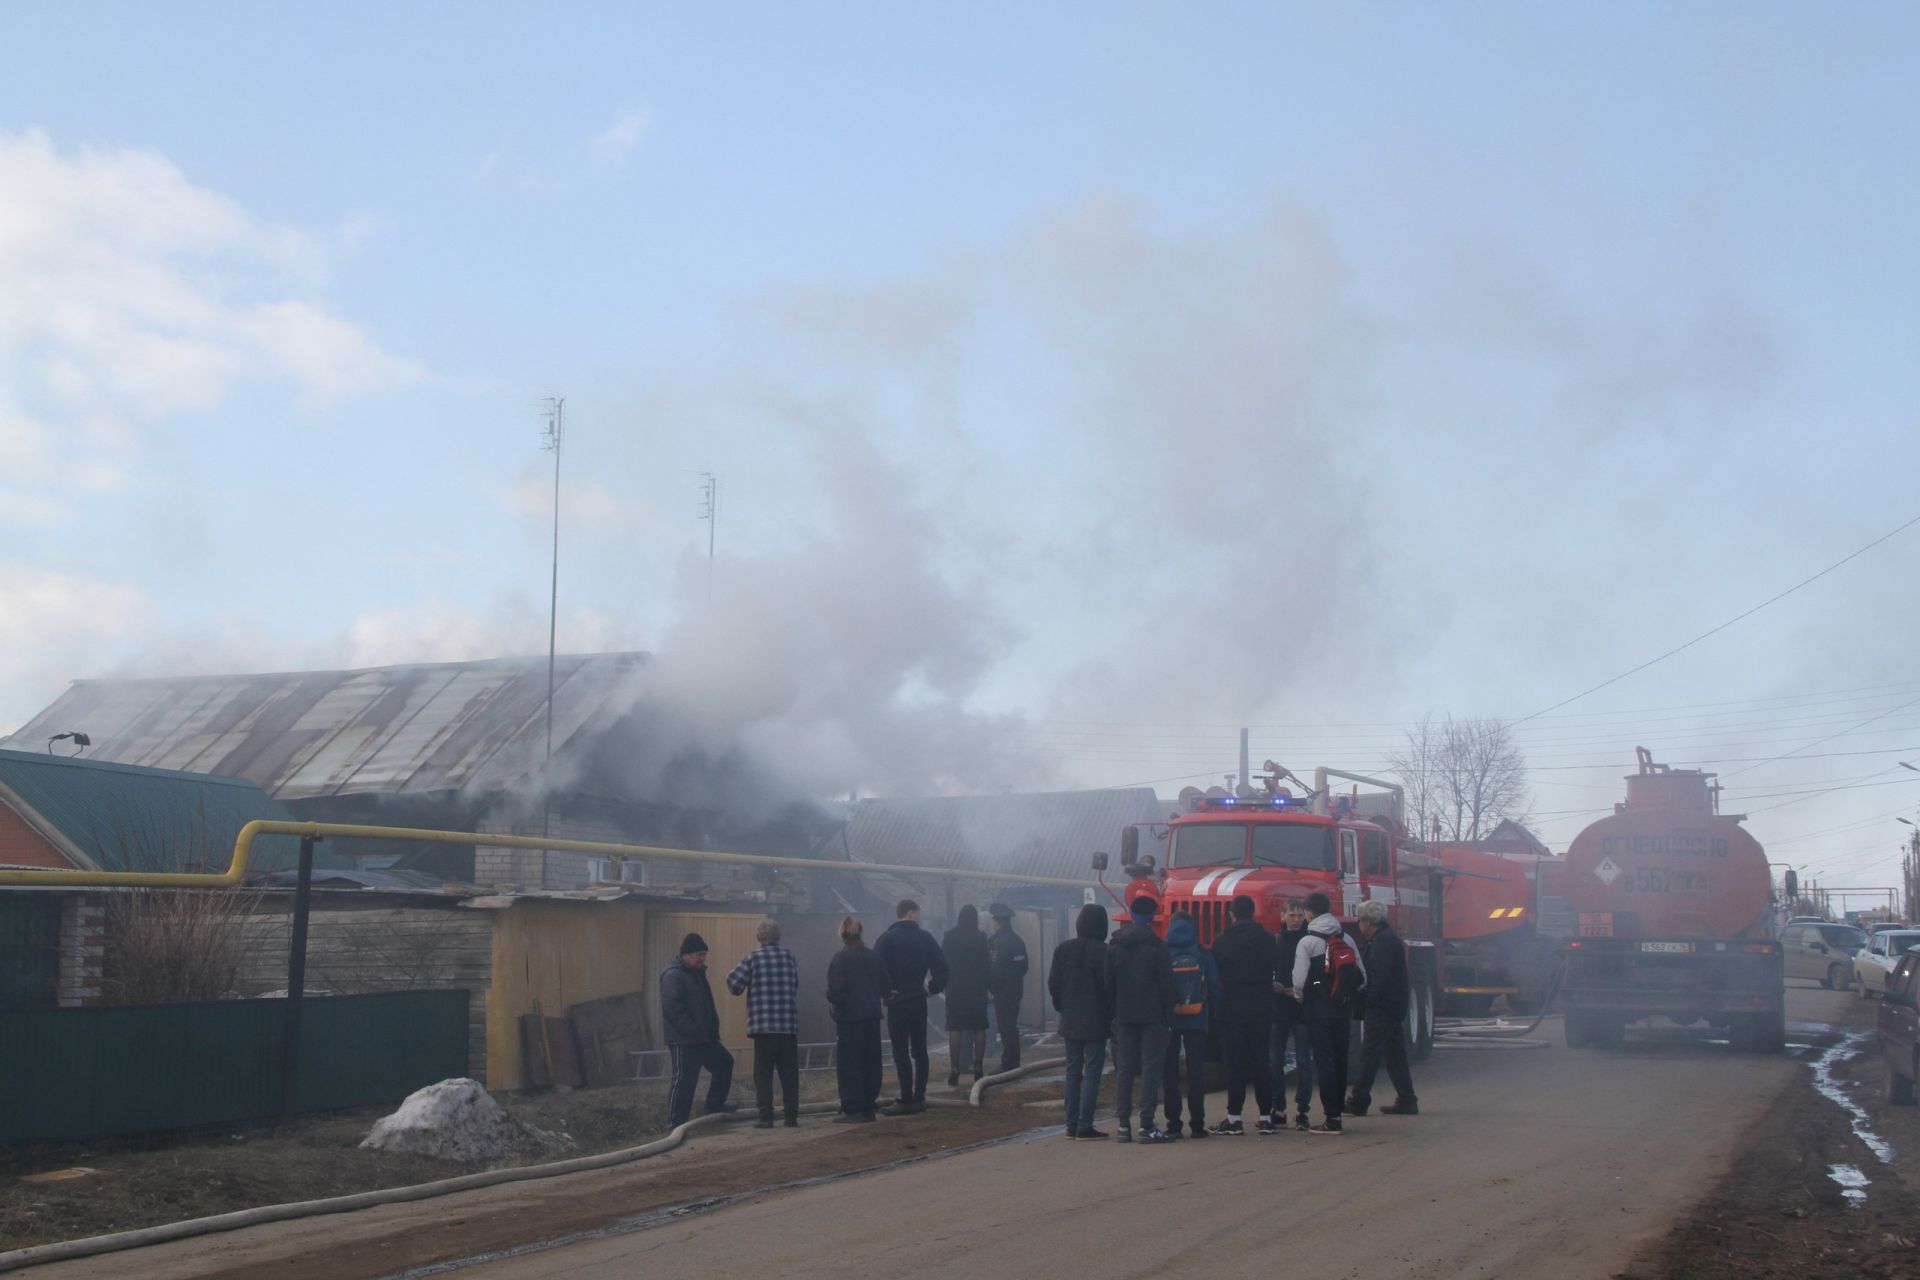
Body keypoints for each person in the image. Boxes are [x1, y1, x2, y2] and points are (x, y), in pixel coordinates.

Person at [1288, 892, 1367, 1134]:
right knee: (1340, 1059)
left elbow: (1299, 981)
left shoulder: (1307, 941)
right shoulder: (1346, 939)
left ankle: (1331, 1118)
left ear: (1310, 913)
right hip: (1342, 1010)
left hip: (1318, 1011)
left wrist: (1301, 998)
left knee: (1324, 1062)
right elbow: (1362, 977)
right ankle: (1338, 1109)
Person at [1207, 894, 1279, 1135]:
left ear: (1232, 915)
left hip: (1230, 1008)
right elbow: (1274, 968)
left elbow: (1215, 976)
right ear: (1254, 913)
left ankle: (1234, 1118)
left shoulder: (1222, 941)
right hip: (1261, 1007)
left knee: (1234, 1063)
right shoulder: (1269, 940)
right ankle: (1267, 1117)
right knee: (1261, 1061)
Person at [1108, 894, 1176, 1144]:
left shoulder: (1115, 946)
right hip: (1153, 1016)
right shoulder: (1157, 946)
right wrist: (1169, 1016)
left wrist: (1114, 1011)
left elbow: (1108, 983)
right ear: (1153, 917)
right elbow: (1167, 986)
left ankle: (1123, 1125)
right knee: (1150, 1069)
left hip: (1124, 1015)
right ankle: (1147, 1125)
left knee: (1125, 1069)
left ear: (1131, 915)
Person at [872, 898, 949, 1115]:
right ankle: (919, 1096)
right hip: (918, 999)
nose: (920, 917)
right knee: (919, 1050)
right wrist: (932, 988)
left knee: (900, 1051)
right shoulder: (925, 938)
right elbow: (942, 967)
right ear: (911, 913)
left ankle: (905, 1098)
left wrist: (886, 992)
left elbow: (875, 969)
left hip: (896, 1003)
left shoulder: (886, 940)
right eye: (919, 913)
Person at [725, 918, 801, 1129]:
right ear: (780, 937)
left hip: (763, 1027)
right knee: (789, 1073)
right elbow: (794, 985)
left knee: (763, 1074)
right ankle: (791, 1116)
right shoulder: (790, 958)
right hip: (787, 1026)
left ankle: (766, 1118)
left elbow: (733, 984)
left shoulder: (753, 958)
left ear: (758, 938)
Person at [1347, 899, 1419, 1117]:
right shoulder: (1387, 939)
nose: (1359, 926)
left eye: (1360, 921)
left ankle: (1359, 1101)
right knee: (1395, 1055)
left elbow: (1379, 977)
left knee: (1370, 1054)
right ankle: (1407, 1100)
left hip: (1382, 1007)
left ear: (1369, 921)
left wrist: (1366, 1000)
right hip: (1392, 1005)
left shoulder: (1382, 942)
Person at [1049, 902, 1113, 1139]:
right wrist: (1109, 1013)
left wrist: (1063, 1007)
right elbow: (1110, 988)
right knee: (1093, 1072)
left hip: (1070, 1018)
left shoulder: (1063, 949)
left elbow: (1053, 984)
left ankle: (1071, 1123)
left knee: (1072, 1071)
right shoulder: (1106, 952)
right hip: (1096, 1020)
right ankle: (1085, 1125)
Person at [659, 932, 734, 1129]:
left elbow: (705, 1004)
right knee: (683, 1081)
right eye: (699, 954)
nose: (702, 959)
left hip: (704, 1037)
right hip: (684, 1039)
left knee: (724, 1063)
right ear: (687, 954)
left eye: (704, 955)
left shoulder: (696, 973)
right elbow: (673, 1010)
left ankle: (714, 1106)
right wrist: (693, 1030)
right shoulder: (673, 975)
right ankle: (674, 1123)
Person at [826, 915, 891, 1123]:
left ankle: (852, 1109)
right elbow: (886, 986)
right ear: (860, 933)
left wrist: (833, 1002)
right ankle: (868, 1108)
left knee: (849, 1064)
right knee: (871, 1063)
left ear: (842, 935)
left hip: (849, 1019)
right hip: (872, 1017)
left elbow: (836, 992)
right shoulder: (873, 957)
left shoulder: (840, 958)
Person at [1160, 911, 1219, 1139]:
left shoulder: (1162, 954)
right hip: (1196, 1019)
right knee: (1196, 1072)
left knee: (1170, 1072)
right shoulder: (1202, 953)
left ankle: (1173, 1124)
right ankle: (1197, 1124)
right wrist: (1211, 1014)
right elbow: (1214, 987)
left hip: (1170, 1021)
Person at [1270, 897, 1317, 1131]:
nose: (1296, 920)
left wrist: (1302, 989)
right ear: (1283, 917)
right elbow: (1267, 971)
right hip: (1279, 1009)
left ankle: (1302, 1110)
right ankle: (1278, 1108)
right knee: (1275, 1060)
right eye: (1292, 915)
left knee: (1304, 1061)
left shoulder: (1312, 942)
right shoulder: (1275, 942)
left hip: (1303, 1009)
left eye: (1300, 915)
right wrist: (1274, 985)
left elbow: (1320, 976)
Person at [942, 905, 992, 1086]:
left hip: (955, 989)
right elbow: (987, 966)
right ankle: (978, 1067)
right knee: (979, 1028)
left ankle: (954, 1069)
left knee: (955, 1028)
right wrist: (988, 987)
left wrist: (945, 983)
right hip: (977, 989)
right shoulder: (981, 938)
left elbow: (943, 962)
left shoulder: (949, 936)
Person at [986, 902, 1031, 1072]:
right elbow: (1024, 967)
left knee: (1006, 1027)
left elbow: (995, 969)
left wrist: (991, 988)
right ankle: (1013, 1059)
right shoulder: (1017, 941)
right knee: (1010, 1026)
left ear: (997, 922)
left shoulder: (997, 942)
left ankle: (1009, 1063)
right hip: (1015, 990)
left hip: (1002, 992)